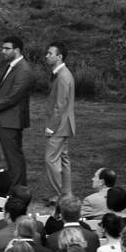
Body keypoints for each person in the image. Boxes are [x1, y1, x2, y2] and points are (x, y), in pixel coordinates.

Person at [0, 36, 33, 188]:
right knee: (10, 155)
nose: (3, 51)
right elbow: (3, 89)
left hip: (11, 119)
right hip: (6, 118)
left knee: (14, 156)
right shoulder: (12, 66)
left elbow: (13, 96)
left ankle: (18, 188)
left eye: (7, 48)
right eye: (3, 48)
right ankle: (15, 186)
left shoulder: (23, 69)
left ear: (17, 50)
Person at [43, 42, 75, 206]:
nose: (47, 56)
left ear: (59, 57)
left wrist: (51, 127)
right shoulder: (63, 74)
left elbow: (60, 104)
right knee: (63, 159)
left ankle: (60, 195)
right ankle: (66, 194)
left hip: (59, 125)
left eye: (50, 53)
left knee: (51, 160)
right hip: (65, 124)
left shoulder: (62, 76)